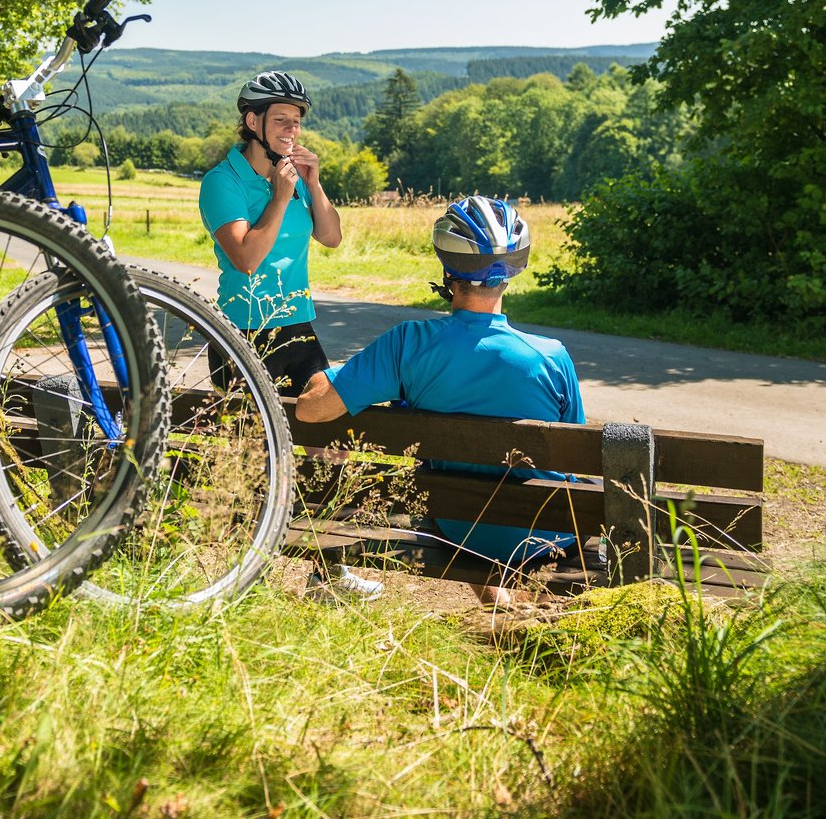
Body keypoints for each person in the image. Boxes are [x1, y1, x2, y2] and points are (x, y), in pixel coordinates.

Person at [295, 196, 585, 606]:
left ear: (448, 269)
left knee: (460, 501)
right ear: (514, 270)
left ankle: (499, 606)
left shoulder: (409, 344)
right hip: (547, 535)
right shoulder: (550, 356)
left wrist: (337, 372)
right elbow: (571, 456)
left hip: (460, 527)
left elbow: (311, 407)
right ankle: (526, 615)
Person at [198, 71, 343, 393]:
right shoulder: (223, 182)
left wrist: (313, 182)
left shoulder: (294, 177)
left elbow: (331, 238)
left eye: (296, 120)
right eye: (281, 120)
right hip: (246, 331)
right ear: (253, 121)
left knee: (330, 437)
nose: (292, 129)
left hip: (298, 324)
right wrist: (279, 196)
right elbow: (245, 258)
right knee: (254, 443)